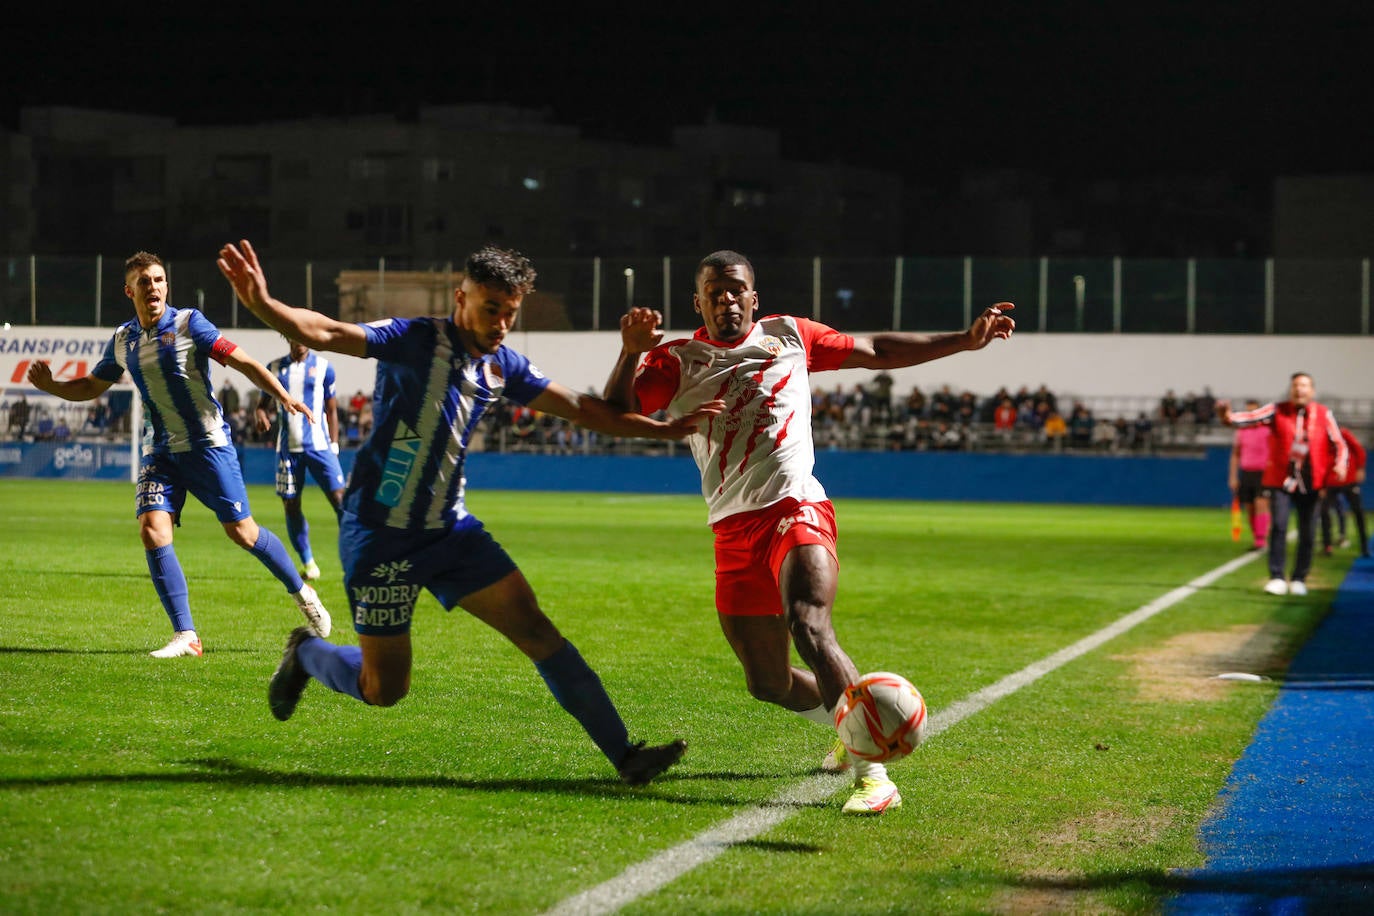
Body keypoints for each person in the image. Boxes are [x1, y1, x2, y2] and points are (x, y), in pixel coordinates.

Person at [217, 239, 723, 786]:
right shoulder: (413, 338)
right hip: (381, 536)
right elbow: (326, 331)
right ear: (461, 299)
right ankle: (307, 653)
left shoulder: (503, 365)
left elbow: (585, 409)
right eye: (491, 308)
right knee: (384, 690)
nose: (501, 324)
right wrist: (263, 304)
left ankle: (625, 755)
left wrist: (665, 428)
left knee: (537, 630)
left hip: (451, 533)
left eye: (511, 313)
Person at [602, 249, 1014, 814]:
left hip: (796, 507)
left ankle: (873, 775)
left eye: (736, 289)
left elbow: (876, 350)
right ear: (697, 302)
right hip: (732, 529)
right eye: (714, 291)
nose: (726, 299)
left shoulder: (790, 335)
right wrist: (630, 352)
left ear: (754, 298)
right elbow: (615, 411)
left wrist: (963, 341)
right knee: (767, 683)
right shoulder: (677, 359)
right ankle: (851, 723)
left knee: (809, 623)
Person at [27, 250, 332, 657]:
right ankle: (186, 635)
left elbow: (241, 360)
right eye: (144, 282)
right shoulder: (123, 340)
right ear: (129, 291)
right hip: (160, 451)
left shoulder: (190, 323)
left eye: (158, 280)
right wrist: (52, 386)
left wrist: (283, 396)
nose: (152, 287)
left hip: (208, 446)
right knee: (152, 529)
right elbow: (91, 386)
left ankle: (301, 591)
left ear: (166, 286)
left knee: (242, 532)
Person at [1219, 373, 1348, 596]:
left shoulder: (1323, 414)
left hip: (1312, 481)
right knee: (1279, 526)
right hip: (1282, 480)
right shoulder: (1277, 410)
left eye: (1304, 385)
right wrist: (1227, 416)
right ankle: (1277, 577)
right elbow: (1251, 418)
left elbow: (1339, 443)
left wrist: (1341, 463)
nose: (1299, 389)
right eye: (1296, 385)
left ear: (1312, 391)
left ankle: (1299, 578)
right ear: (1291, 389)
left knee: (1308, 531)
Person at [255, 339, 346, 581]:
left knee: (341, 501)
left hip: (320, 447)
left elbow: (332, 409)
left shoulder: (324, 367)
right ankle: (308, 563)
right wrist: (261, 416)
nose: (300, 341)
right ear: (286, 336)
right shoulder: (274, 368)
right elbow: (261, 405)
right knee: (291, 505)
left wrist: (334, 445)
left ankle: (355, 556)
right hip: (288, 449)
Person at [1228, 399, 1271, 551]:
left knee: (1261, 504)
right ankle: (1257, 537)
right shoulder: (1241, 432)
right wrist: (1233, 476)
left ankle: (1261, 539)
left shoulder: (1268, 430)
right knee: (1250, 507)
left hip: (1264, 473)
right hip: (1247, 473)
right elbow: (1235, 455)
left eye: (1253, 412)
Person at [1321, 426, 1368, 558]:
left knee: (1358, 512)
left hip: (1349, 479)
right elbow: (1320, 460)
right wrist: (1321, 484)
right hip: (1330, 481)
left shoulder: (1343, 433)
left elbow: (1359, 450)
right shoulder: (1321, 437)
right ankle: (1327, 546)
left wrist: (1360, 468)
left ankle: (1364, 547)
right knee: (1324, 512)